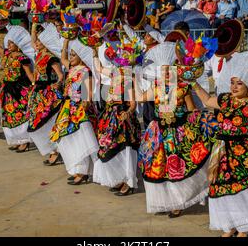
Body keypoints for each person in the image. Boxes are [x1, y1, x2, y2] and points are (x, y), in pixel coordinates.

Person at [193, 52, 248, 237]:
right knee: (221, 190)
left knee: (241, 191)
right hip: (220, 151)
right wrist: (192, 82)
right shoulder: (225, 99)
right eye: (232, 82)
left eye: (239, 83)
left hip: (241, 154)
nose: (234, 87)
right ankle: (231, 226)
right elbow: (207, 100)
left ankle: (244, 229)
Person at [136, 43, 219, 218]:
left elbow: (191, 108)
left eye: (169, 69)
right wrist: (129, 75)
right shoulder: (156, 86)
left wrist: (199, 124)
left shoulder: (182, 86)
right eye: (163, 70)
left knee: (176, 167)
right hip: (159, 132)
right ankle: (166, 202)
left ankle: (179, 203)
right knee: (158, 168)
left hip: (177, 132)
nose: (166, 73)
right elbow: (139, 98)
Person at [91, 39, 141, 196]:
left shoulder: (130, 78)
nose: (121, 64)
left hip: (122, 117)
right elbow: (98, 68)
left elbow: (133, 103)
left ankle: (128, 181)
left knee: (124, 150)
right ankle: (119, 178)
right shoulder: (114, 73)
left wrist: (129, 112)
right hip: (109, 115)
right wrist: (94, 49)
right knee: (108, 148)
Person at [49, 38, 99, 186]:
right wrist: (66, 40)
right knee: (66, 140)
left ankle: (83, 172)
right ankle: (78, 169)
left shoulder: (86, 72)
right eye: (70, 55)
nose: (70, 58)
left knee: (81, 141)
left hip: (80, 111)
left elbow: (88, 96)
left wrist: (81, 107)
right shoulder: (71, 68)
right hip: (68, 107)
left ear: (81, 57)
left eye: (74, 55)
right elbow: (63, 57)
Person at [0, 26, 34, 153]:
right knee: (9, 116)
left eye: (12, 43)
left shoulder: (23, 58)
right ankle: (16, 140)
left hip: (20, 90)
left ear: (18, 44)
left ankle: (25, 141)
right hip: (7, 90)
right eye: (8, 42)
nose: (9, 45)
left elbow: (29, 75)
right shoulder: (6, 54)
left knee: (20, 115)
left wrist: (35, 86)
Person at [28, 24, 64, 166]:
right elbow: (32, 41)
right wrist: (35, 23)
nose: (36, 43)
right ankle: (51, 150)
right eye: (36, 41)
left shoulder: (51, 58)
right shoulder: (39, 55)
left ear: (45, 43)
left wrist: (58, 84)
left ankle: (55, 151)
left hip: (48, 94)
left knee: (48, 122)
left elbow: (60, 75)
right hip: (38, 93)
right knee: (37, 123)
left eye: (39, 41)